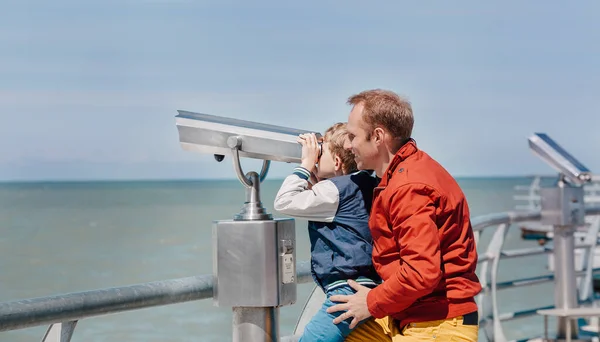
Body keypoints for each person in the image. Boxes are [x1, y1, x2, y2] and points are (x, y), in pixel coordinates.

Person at [326, 89, 482, 342]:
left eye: (352, 136)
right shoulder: (405, 172)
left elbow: (421, 272)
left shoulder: (408, 187)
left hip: (437, 326)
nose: (347, 144)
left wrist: (371, 301)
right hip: (408, 317)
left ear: (377, 136)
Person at [274, 122, 381, 342]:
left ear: (337, 161)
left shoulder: (333, 191)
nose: (315, 157)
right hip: (368, 285)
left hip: (346, 292)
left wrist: (305, 165)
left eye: (319, 152)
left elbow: (283, 202)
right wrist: (319, 181)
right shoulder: (364, 184)